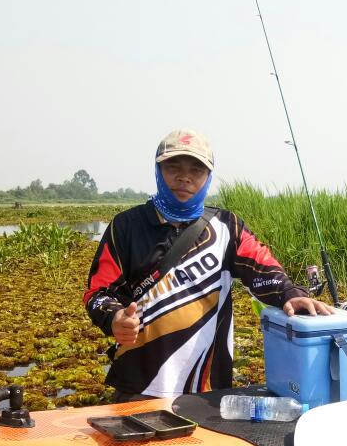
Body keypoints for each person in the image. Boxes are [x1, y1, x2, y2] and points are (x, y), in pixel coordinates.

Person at [85, 129, 332, 401]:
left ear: (208, 177)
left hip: (206, 388)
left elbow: (263, 269)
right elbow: (99, 292)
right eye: (173, 167)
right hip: (138, 383)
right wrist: (114, 317)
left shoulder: (228, 226)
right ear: (158, 170)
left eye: (196, 170)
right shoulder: (125, 226)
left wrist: (290, 294)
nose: (184, 177)